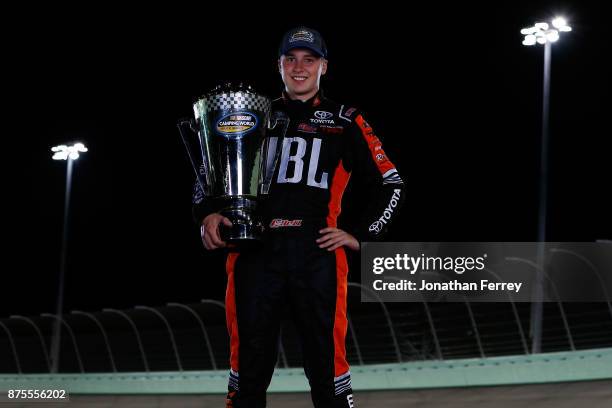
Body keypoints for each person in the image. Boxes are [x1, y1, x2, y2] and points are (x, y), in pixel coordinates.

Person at [193, 26, 405, 408]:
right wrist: (208, 213)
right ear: (279, 65)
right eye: (290, 59)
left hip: (318, 256)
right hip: (253, 254)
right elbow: (210, 172)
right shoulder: (251, 114)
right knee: (247, 374)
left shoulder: (345, 120)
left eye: (309, 59)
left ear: (324, 66)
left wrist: (362, 235)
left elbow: (391, 182)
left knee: (327, 372)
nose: (299, 67)